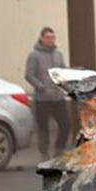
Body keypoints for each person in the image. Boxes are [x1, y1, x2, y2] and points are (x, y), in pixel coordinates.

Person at [25, 27, 69, 160]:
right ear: (42, 38)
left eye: (52, 37)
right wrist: (40, 86)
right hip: (42, 98)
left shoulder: (58, 54)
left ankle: (59, 151)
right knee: (43, 128)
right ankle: (44, 154)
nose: (51, 40)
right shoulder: (34, 55)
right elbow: (29, 75)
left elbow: (62, 71)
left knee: (65, 124)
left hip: (58, 97)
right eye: (48, 37)